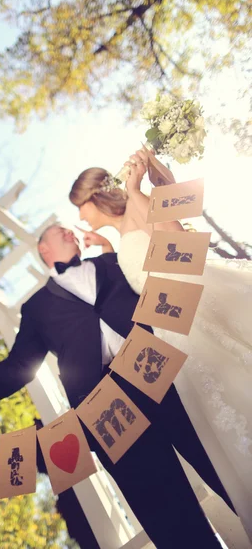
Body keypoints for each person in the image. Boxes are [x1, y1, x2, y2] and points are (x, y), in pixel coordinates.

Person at [0, 224, 234, 548]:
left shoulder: (113, 262)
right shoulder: (35, 307)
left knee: (225, 467)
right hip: (103, 409)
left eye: (69, 227)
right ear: (43, 249)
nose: (69, 230)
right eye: (59, 230)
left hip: (161, 371)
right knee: (167, 514)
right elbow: (18, 368)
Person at [69, 147, 252, 539]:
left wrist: (137, 190)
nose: (80, 216)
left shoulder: (140, 205)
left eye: (80, 206)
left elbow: (182, 246)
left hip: (187, 318)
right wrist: (100, 247)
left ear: (93, 197)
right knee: (219, 428)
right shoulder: (114, 246)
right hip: (169, 339)